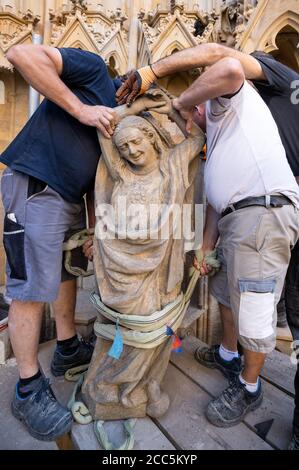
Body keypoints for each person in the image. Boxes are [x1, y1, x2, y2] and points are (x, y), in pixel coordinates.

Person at [117, 49, 299, 440]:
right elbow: (217, 203)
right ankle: (229, 356)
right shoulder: (217, 138)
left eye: (185, 114)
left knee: (253, 305)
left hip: (261, 214)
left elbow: (230, 65)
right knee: (226, 296)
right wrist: (204, 247)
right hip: (237, 218)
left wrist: (185, 101)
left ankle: (249, 388)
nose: (183, 123)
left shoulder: (227, 98)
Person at [0, 45, 118, 441]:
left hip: (69, 198)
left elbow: (92, 177)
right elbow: (20, 55)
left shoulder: (118, 125)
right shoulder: (97, 74)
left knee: (70, 273)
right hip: (39, 186)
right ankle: (27, 387)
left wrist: (93, 225)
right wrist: (82, 109)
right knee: (30, 288)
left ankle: (66, 347)